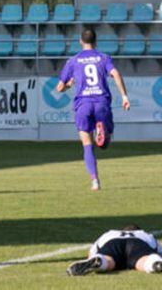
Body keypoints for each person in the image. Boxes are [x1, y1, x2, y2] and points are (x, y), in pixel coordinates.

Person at [55, 28, 131, 191]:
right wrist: (124, 96)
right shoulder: (103, 57)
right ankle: (102, 131)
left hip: (83, 104)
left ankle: (95, 181)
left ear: (81, 41)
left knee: (87, 145)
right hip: (101, 101)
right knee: (104, 142)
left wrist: (68, 85)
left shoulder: (73, 60)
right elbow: (116, 74)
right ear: (96, 42)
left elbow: (59, 88)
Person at [67, 225, 162, 277]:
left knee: (108, 260)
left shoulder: (109, 233)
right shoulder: (144, 234)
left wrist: (93, 257)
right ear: (137, 230)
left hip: (113, 243)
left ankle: (99, 262)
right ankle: (157, 265)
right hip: (137, 244)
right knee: (144, 260)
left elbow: (91, 252)